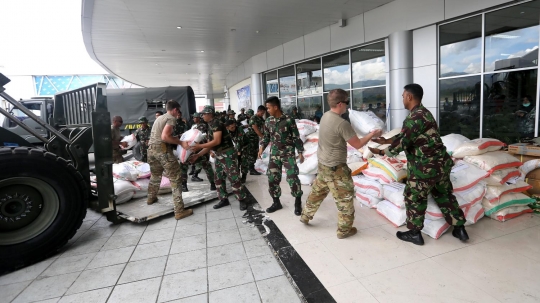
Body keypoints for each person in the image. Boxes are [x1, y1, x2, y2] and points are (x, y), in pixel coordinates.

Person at [368, 84, 468, 246]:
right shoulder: (425, 114)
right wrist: (386, 140)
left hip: (424, 168)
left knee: (414, 197)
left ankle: (414, 233)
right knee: (444, 195)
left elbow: (399, 146)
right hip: (441, 165)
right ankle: (460, 228)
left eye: (403, 96)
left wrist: (380, 152)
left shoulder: (413, 118)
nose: (402, 99)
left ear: (409, 97)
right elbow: (409, 136)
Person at [300, 89, 381, 239]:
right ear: (340, 104)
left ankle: (305, 216)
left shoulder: (325, 117)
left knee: (316, 193)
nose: (347, 106)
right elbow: (357, 144)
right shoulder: (341, 123)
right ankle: (344, 231)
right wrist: (372, 134)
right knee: (345, 200)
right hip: (336, 168)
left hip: (323, 165)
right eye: (347, 102)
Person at [191, 105, 252, 211]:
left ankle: (242, 199)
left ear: (210, 114)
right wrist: (198, 154)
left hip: (227, 154)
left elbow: (217, 141)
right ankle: (223, 199)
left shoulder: (216, 123)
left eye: (204, 114)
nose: (202, 116)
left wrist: (199, 146)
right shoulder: (210, 125)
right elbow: (211, 145)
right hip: (219, 154)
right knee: (218, 177)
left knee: (233, 177)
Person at [147, 100, 193, 220]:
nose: (178, 113)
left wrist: (176, 137)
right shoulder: (171, 118)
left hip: (151, 150)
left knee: (155, 175)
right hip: (163, 151)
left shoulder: (160, 118)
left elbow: (161, 135)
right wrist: (181, 142)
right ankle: (179, 211)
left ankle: (151, 198)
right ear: (175, 110)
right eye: (178, 110)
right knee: (176, 178)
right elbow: (165, 137)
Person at [258, 97, 304, 215]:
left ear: (275, 107)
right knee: (272, 178)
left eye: (268, 108)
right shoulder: (268, 121)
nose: (267, 110)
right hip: (274, 154)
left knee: (292, 177)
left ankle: (297, 202)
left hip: (288, 154)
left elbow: (296, 137)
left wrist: (300, 152)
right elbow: (266, 136)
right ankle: (276, 202)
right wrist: (261, 147)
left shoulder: (289, 120)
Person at [173, 110, 189, 192]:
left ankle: (184, 185)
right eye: (177, 114)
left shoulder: (184, 123)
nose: (178, 115)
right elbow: (169, 135)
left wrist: (186, 123)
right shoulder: (171, 123)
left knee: (183, 165)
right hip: (173, 146)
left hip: (182, 146)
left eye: (180, 114)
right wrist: (178, 136)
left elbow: (188, 133)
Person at [246, 106, 265, 176]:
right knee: (252, 153)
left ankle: (251, 167)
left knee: (255, 152)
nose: (262, 114)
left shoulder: (260, 118)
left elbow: (264, 126)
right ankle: (251, 169)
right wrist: (263, 137)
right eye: (262, 113)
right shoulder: (253, 118)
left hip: (256, 138)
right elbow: (256, 129)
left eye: (263, 113)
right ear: (258, 111)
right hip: (251, 138)